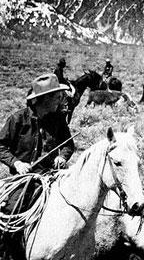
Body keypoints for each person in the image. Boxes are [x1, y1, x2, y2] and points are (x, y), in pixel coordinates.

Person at [0, 73, 75, 259]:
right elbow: (1, 146)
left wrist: (63, 157)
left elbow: (68, 144)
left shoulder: (58, 119)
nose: (61, 100)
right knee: (12, 211)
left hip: (51, 176)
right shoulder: (17, 119)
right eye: (57, 97)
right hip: (23, 180)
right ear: (45, 99)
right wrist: (16, 163)